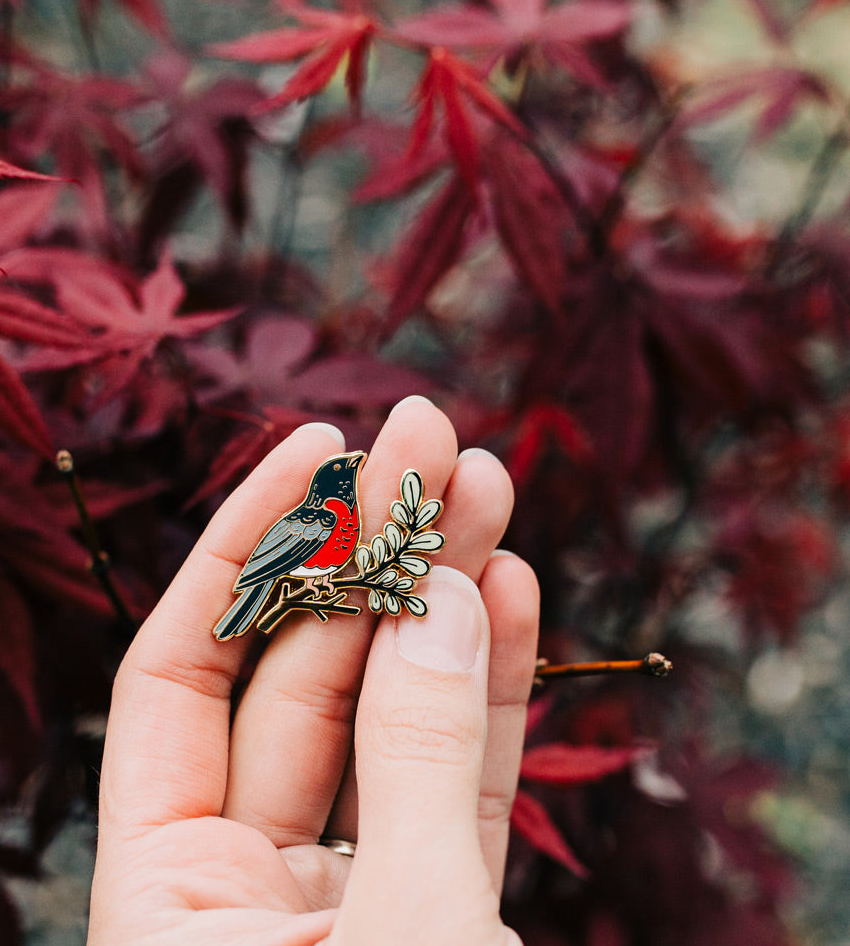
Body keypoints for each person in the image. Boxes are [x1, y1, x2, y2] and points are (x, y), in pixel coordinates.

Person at [87, 396, 539, 945]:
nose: (350, 471)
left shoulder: (342, 516)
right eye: (343, 471)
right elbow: (284, 557)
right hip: (289, 576)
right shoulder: (323, 515)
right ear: (332, 486)